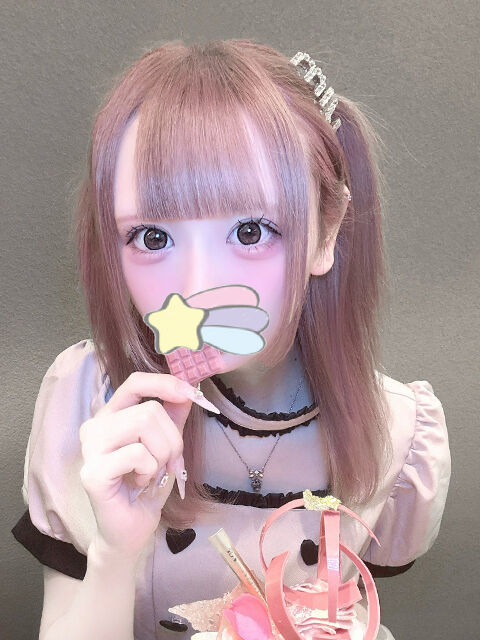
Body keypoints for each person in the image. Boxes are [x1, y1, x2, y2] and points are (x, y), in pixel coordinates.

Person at [11, 39, 451, 640]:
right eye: (152, 237)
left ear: (326, 233)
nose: (196, 289)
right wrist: (115, 553)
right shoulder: (88, 401)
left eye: (250, 231)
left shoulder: (397, 432)